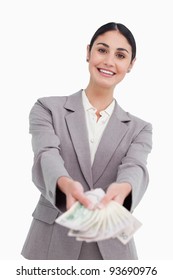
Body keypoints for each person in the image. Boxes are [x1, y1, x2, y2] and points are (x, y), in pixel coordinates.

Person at [21, 22, 152, 260]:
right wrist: (64, 183)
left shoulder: (139, 128)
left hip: (112, 249)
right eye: (102, 50)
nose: (109, 61)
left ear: (131, 65)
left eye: (120, 55)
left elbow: (135, 167)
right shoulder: (47, 108)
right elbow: (46, 154)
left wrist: (124, 188)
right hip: (51, 242)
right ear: (88, 52)